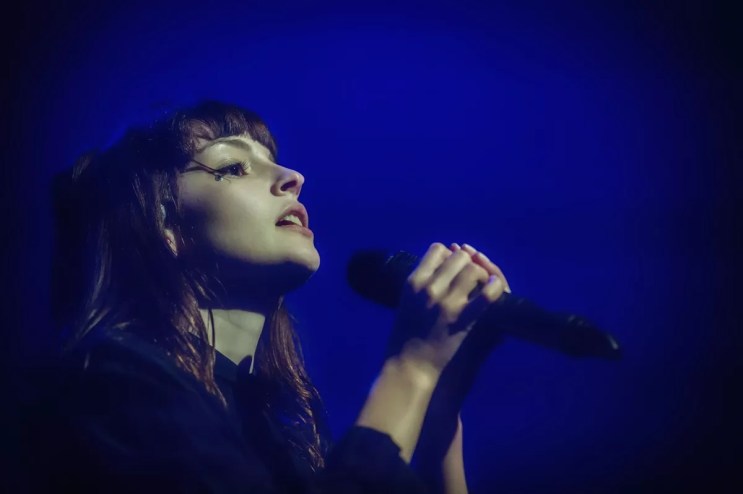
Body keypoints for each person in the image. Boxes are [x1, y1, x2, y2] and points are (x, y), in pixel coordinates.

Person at [24, 100, 510, 493]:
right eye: (234, 166)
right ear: (164, 224)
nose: (292, 176)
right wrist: (411, 369)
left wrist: (438, 406)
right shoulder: (110, 381)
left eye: (272, 158)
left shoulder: (279, 428)